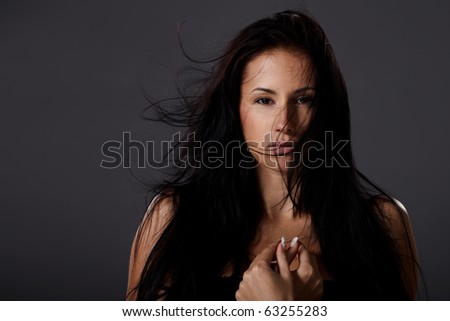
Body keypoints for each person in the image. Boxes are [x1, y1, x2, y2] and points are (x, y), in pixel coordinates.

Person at [126, 10, 418, 300]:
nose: (284, 124)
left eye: (304, 99)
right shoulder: (173, 216)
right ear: (236, 110)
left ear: (327, 110)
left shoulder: (383, 223)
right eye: (264, 100)